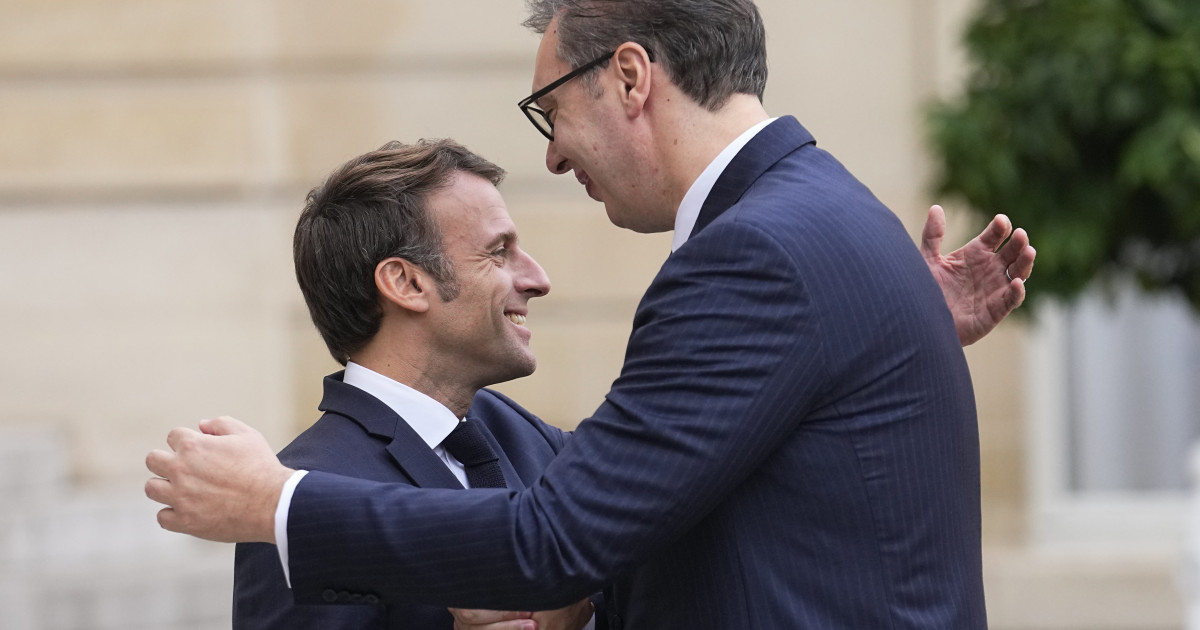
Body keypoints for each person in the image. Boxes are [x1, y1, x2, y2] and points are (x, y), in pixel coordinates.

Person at [146, 1, 1038, 628]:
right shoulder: (829, 216)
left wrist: (276, 503)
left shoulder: (752, 254)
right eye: (497, 251)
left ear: (630, 76)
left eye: (552, 111)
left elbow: (556, 539)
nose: (555, 155)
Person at [232, 139, 592, 629]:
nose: (537, 279)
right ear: (405, 283)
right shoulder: (296, 500)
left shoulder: (523, 434)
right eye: (498, 252)